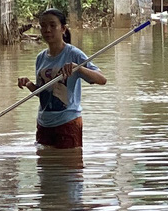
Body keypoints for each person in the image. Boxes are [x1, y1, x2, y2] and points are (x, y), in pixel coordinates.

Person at [17, 8, 105, 150]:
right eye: (43, 26)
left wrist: (78, 68)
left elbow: (101, 79)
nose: (47, 30)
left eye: (52, 25)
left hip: (67, 123)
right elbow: (44, 93)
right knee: (45, 169)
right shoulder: (41, 58)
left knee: (69, 169)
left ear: (63, 29)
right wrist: (29, 84)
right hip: (44, 123)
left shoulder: (73, 54)